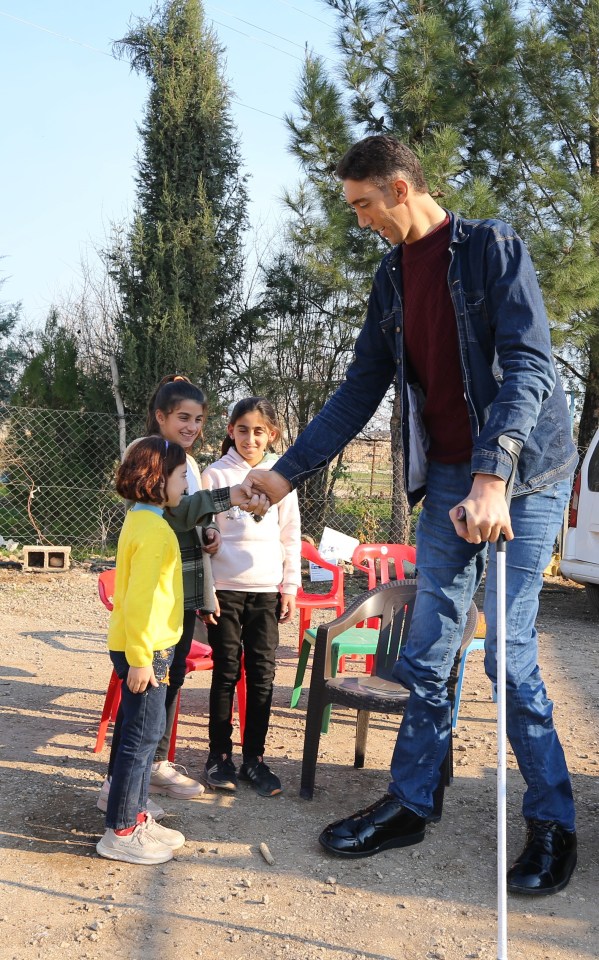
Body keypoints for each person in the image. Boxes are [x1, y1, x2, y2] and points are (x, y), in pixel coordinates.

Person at [243, 136, 579, 895]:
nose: (358, 220)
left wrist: (494, 477)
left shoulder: (491, 249)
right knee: (427, 651)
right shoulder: (390, 280)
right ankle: (409, 802)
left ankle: (552, 823)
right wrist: (282, 475)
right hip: (449, 477)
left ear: (399, 188)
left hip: (521, 478)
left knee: (508, 655)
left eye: (363, 204)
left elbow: (528, 365)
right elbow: (359, 388)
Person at [98, 376, 268, 814]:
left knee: (167, 684)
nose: (192, 426)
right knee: (148, 695)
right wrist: (228, 495)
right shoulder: (155, 457)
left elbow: (185, 518)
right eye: (183, 418)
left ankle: (148, 768)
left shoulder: (186, 462)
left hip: (181, 594)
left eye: (198, 419)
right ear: (161, 417)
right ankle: (122, 786)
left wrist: (208, 530)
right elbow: (175, 511)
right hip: (158, 604)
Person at [96, 436, 191, 864]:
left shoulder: (143, 518)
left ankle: (134, 813)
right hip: (146, 651)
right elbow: (137, 600)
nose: (186, 481)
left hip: (148, 647)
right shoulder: (153, 529)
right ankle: (122, 830)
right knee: (140, 738)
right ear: (159, 479)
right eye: (182, 474)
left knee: (145, 732)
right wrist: (139, 657)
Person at [201, 398, 301, 797]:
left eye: (259, 430)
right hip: (225, 591)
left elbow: (289, 536)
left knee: (262, 675)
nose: (250, 438)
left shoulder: (280, 480)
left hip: (266, 592)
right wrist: (206, 588)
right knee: (226, 672)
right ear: (230, 431)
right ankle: (219, 757)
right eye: (242, 429)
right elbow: (203, 531)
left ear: (271, 435)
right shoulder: (214, 476)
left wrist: (290, 586)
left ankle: (255, 760)